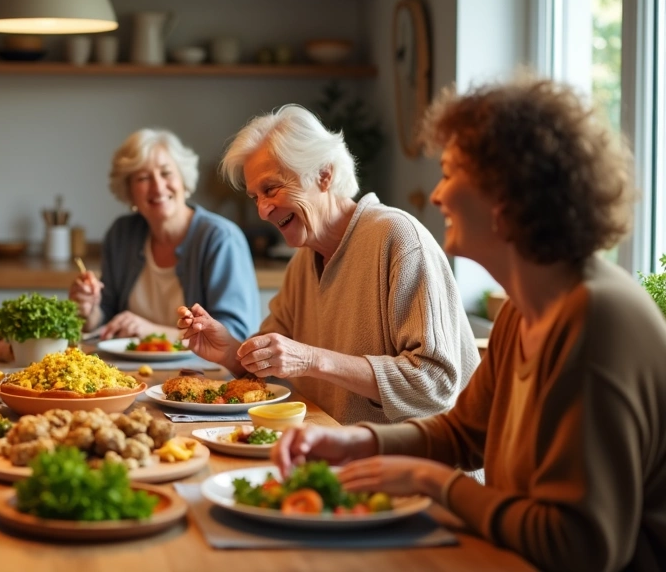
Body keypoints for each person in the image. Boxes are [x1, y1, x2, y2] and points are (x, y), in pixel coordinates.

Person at [274, 77, 666, 571]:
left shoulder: (597, 319)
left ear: (505, 195)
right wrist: (357, 442)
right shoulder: (525, 309)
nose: (436, 195)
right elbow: (463, 434)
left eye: (450, 173)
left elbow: (579, 546)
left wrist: (430, 481)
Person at [178, 105, 479, 424]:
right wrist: (229, 352)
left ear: (324, 174)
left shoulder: (397, 238)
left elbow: (434, 384)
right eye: (255, 197)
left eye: (271, 188)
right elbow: (272, 365)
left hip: (421, 467)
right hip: (335, 451)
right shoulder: (303, 260)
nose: (263, 211)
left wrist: (310, 359)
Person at [69, 128, 260, 341]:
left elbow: (235, 333)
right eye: (142, 178)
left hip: (203, 372)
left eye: (166, 173)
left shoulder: (220, 238)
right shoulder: (121, 234)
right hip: (129, 371)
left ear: (183, 180)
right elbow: (107, 319)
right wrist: (89, 310)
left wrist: (152, 333)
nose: (158, 187)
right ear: (129, 191)